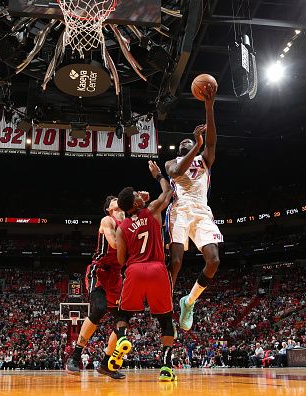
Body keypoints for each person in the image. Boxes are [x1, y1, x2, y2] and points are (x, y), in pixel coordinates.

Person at [110, 160, 194, 382]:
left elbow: (121, 259)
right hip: (157, 269)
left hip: (135, 269)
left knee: (123, 315)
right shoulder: (152, 209)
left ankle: (122, 338)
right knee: (166, 321)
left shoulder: (122, 227)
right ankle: (166, 367)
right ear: (135, 202)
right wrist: (158, 176)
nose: (140, 194)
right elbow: (168, 193)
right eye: (137, 194)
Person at [164, 84, 223, 331]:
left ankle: (189, 300)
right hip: (179, 211)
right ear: (181, 149)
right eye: (186, 142)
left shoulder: (205, 159)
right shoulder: (171, 162)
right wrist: (196, 145)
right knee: (176, 261)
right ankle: (165, 306)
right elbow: (177, 173)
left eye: (193, 141)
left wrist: (209, 105)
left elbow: (211, 140)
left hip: (201, 211)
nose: (189, 141)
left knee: (214, 260)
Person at [66, 196, 128, 380]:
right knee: (99, 308)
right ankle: (75, 356)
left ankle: (106, 364)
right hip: (99, 271)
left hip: (116, 276)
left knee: (123, 320)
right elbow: (115, 244)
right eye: (115, 199)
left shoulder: (129, 222)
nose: (119, 199)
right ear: (109, 208)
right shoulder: (107, 220)